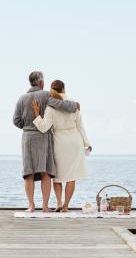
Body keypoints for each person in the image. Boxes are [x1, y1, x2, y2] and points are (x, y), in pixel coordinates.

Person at [13, 71, 79, 212]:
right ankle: (45, 206)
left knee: (28, 173)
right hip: (44, 137)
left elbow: (16, 120)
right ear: (41, 82)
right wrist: (74, 106)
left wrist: (27, 127)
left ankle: (31, 205)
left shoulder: (21, 98)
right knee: (46, 173)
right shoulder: (46, 95)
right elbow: (60, 104)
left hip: (28, 138)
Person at [32, 80, 92, 212]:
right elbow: (80, 126)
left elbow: (43, 128)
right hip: (74, 140)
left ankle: (59, 203)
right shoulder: (73, 105)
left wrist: (37, 114)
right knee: (72, 176)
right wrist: (87, 143)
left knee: (58, 176)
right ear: (64, 89)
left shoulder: (50, 107)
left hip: (59, 142)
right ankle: (66, 206)